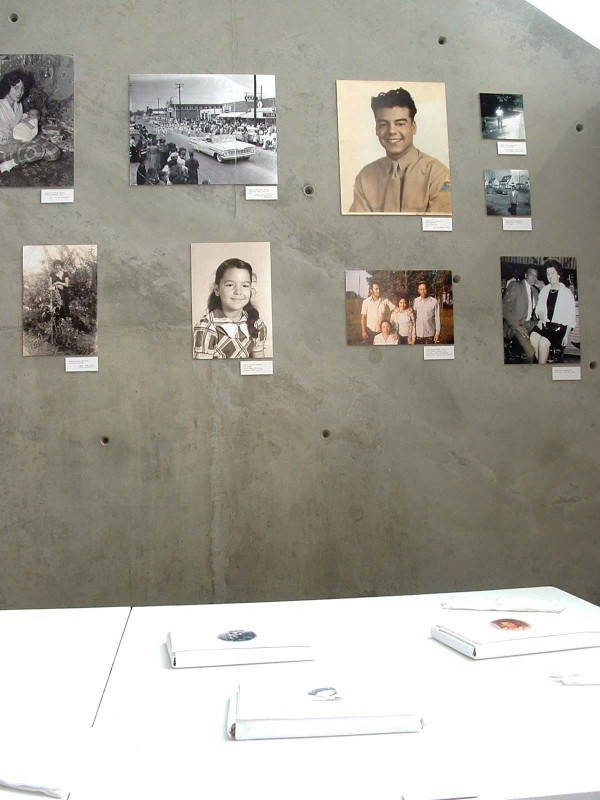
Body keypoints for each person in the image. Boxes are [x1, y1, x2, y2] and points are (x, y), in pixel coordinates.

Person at [349, 87, 451, 214]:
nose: (391, 131)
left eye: (400, 124)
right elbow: (359, 228)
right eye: (383, 124)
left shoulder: (437, 175)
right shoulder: (365, 177)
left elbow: (440, 229)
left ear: (413, 127)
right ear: (376, 129)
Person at [193, 258, 267, 359]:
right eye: (230, 285)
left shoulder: (256, 323)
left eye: (245, 285)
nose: (238, 291)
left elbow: (260, 365)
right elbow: (203, 372)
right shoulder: (207, 328)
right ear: (217, 289)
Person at [0, 70, 61, 174]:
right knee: (38, 150)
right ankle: (8, 164)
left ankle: (21, 157)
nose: (20, 92)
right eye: (16, 88)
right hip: (3, 146)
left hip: (17, 139)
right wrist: (4, 146)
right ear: (7, 87)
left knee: (54, 152)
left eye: (22, 89)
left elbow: (19, 125)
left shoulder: (18, 105)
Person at [530, 261, 577, 365]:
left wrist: (566, 335)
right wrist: (542, 319)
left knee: (543, 342)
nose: (549, 276)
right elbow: (539, 308)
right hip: (546, 323)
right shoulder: (545, 290)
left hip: (558, 327)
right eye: (547, 274)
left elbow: (571, 316)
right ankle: (542, 363)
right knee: (533, 337)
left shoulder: (566, 293)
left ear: (558, 274)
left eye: (552, 273)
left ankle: (541, 367)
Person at [502, 266, 539, 363]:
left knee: (542, 345)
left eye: (536, 276)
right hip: (515, 326)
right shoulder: (515, 286)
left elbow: (537, 313)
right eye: (531, 274)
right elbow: (504, 309)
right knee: (530, 352)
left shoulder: (535, 292)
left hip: (530, 325)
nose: (534, 277)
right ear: (526, 275)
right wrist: (518, 327)